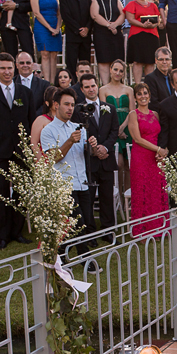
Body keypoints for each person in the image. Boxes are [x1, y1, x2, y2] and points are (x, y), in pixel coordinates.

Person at [0, 52, 35, 250]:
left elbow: (30, 123)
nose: (7, 71)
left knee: (20, 192)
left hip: (20, 151)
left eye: (10, 68)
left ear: (15, 68)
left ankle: (17, 232)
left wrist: (30, 150)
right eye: (2, 68)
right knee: (1, 193)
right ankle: (2, 236)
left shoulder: (25, 93)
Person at [40, 88, 93, 260]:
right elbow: (53, 158)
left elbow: (86, 154)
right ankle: (85, 259)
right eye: (66, 104)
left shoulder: (79, 128)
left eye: (72, 105)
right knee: (77, 223)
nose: (70, 108)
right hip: (64, 184)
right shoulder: (48, 130)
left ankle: (60, 256)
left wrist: (92, 146)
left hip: (82, 181)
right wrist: (70, 140)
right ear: (56, 105)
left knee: (83, 221)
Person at [74, 74, 119, 244]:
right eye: (87, 87)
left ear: (98, 85)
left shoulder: (109, 108)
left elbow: (114, 130)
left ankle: (108, 232)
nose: (91, 89)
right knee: (89, 199)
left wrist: (105, 147)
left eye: (93, 85)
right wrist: (93, 149)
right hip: (88, 162)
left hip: (106, 159)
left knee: (107, 197)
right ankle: (89, 234)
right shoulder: (78, 110)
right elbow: (79, 132)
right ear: (82, 89)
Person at [126, 82, 169, 237]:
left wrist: (161, 152)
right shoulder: (133, 114)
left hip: (156, 158)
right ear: (135, 97)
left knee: (156, 191)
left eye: (145, 93)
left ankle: (158, 228)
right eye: (139, 94)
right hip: (141, 157)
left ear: (149, 96)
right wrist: (158, 149)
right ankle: (141, 230)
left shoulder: (155, 114)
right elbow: (137, 139)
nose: (143, 96)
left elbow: (161, 136)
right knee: (141, 191)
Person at [100, 59, 134, 189]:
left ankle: (128, 197)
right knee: (118, 164)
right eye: (115, 69)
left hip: (127, 126)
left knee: (128, 165)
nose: (118, 73)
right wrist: (116, 130)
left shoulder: (129, 89)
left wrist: (123, 127)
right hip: (111, 126)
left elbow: (132, 111)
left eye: (121, 71)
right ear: (110, 70)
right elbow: (104, 111)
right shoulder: (103, 89)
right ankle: (119, 194)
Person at [124, 0, 162, 85]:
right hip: (137, 35)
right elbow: (130, 19)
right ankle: (138, 85)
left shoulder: (153, 5)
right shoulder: (132, 4)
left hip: (152, 35)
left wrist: (152, 25)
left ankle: (149, 85)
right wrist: (143, 25)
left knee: (150, 61)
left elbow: (158, 20)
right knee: (138, 61)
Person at [90, 0, 125, 85]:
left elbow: (123, 14)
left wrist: (115, 25)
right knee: (104, 60)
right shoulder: (95, 0)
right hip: (102, 35)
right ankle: (105, 86)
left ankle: (118, 85)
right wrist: (109, 25)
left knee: (117, 60)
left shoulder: (116, 0)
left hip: (116, 35)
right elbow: (94, 15)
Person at [59, 0, 93, 77]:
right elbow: (66, 16)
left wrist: (87, 28)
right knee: (71, 65)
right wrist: (78, 30)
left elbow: (92, 14)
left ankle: (86, 82)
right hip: (72, 36)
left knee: (86, 64)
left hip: (86, 37)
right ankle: (72, 85)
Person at [31, 0, 62, 84]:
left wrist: (58, 28)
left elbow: (59, 13)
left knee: (54, 54)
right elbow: (36, 13)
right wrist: (49, 28)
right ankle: (46, 83)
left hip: (55, 24)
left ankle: (53, 83)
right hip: (42, 26)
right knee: (45, 54)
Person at [15, 52, 49, 118]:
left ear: (32, 64)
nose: (25, 65)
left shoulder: (44, 84)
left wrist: (33, 116)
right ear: (17, 65)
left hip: (38, 121)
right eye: (22, 63)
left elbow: (46, 104)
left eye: (28, 63)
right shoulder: (12, 83)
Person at [30, 85, 58, 157]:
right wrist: (41, 162)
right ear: (47, 103)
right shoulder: (41, 120)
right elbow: (34, 143)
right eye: (54, 100)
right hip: (45, 159)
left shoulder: (65, 120)